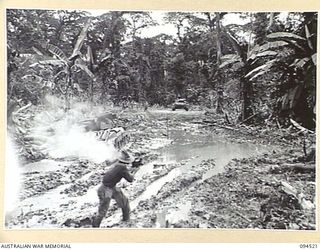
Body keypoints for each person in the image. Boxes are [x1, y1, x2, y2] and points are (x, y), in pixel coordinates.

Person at [92, 150, 134, 228]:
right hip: (106, 190)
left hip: (110, 186)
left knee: (124, 201)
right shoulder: (122, 168)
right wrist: (133, 170)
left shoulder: (117, 164)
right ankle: (95, 227)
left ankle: (126, 220)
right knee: (103, 210)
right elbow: (130, 179)